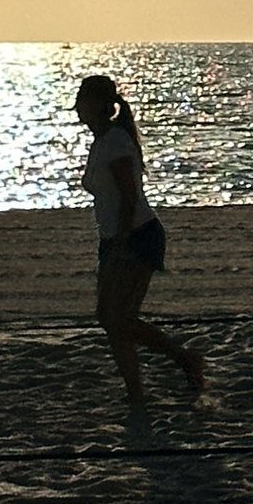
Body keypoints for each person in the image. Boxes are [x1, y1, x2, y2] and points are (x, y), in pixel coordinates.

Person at [74, 73, 204, 404]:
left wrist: (121, 241)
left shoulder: (116, 141)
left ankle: (183, 359)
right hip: (114, 235)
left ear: (99, 106)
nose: (77, 106)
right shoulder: (102, 140)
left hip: (136, 235)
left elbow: (130, 197)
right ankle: (137, 390)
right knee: (110, 318)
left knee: (118, 317)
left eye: (83, 100)